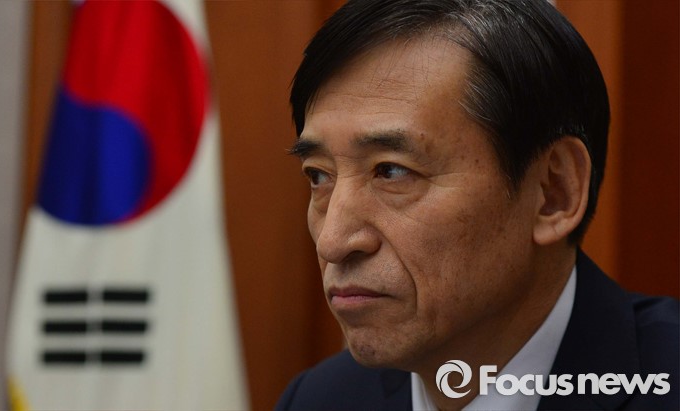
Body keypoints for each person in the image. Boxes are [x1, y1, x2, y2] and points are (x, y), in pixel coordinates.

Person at [275, 0, 679, 409]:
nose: (332, 241)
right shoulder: (319, 399)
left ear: (553, 192)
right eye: (319, 176)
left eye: (392, 172)